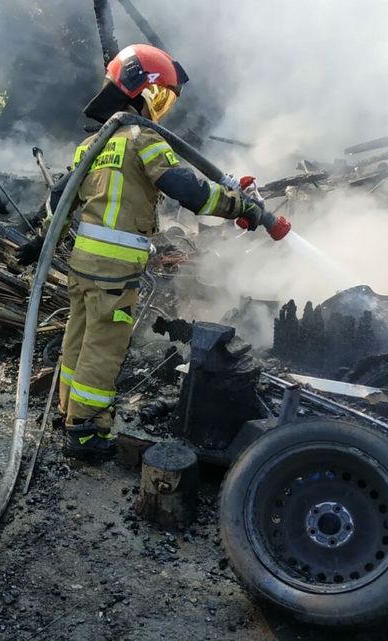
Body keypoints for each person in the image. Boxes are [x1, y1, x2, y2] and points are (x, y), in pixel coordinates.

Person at [18, 44, 263, 461]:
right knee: (104, 345)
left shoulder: (92, 145)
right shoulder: (142, 138)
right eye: (162, 95)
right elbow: (189, 190)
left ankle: (69, 414)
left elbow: (59, 201)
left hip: (82, 265)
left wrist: (42, 240)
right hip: (115, 270)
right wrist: (240, 206)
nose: (163, 107)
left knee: (78, 338)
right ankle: (84, 433)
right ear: (144, 91)